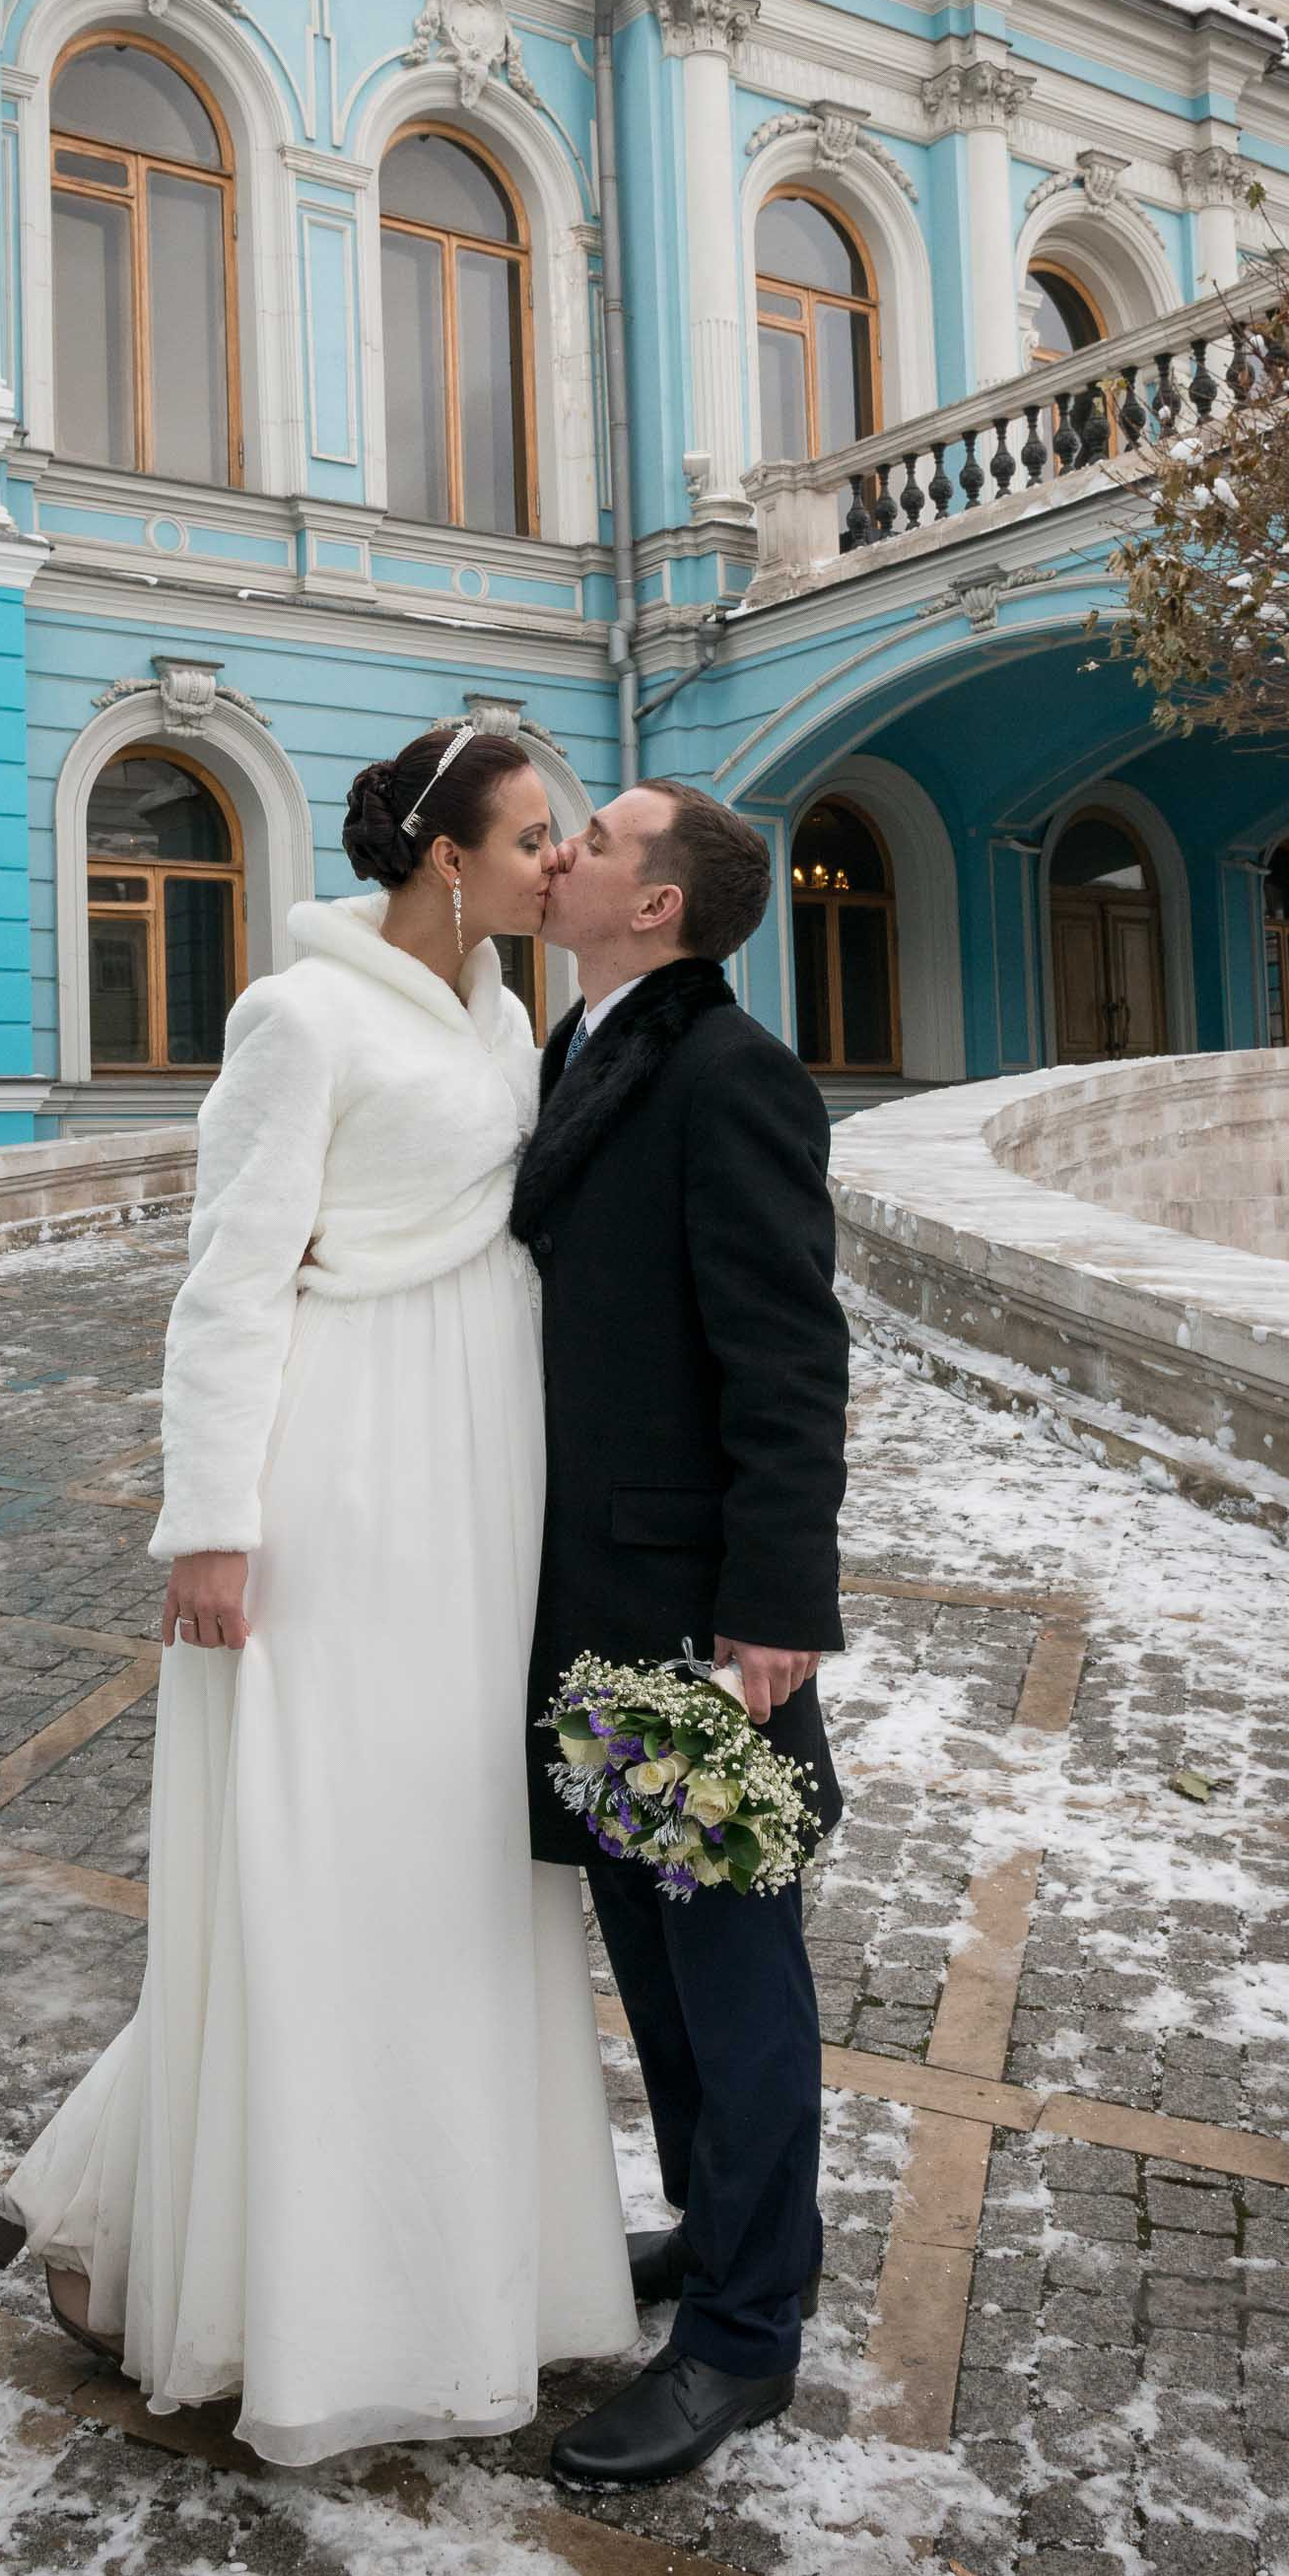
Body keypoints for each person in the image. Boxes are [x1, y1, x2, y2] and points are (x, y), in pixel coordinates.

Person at [0, 724, 636, 2466]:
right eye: (531, 839)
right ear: (445, 859)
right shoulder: (300, 1017)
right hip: (343, 1479)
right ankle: (300, 2292)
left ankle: (467, 2264)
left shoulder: (505, 1015)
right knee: (324, 1864)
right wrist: (212, 1524)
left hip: (486, 1484)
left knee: (457, 1864)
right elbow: (228, 1280)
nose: (554, 863)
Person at [514, 780, 850, 2490]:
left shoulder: (730, 1071)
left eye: (593, 839)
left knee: (733, 1973)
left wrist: (775, 1607)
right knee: (655, 1970)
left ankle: (744, 2339)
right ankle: (714, 2232)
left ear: (657, 906)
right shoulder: (579, 1049)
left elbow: (791, 1354)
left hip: (695, 1617)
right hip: (589, 1597)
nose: (558, 851)